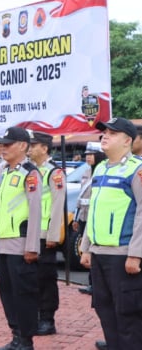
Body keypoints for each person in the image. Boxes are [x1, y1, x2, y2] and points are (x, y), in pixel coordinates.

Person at [80, 117, 142, 350]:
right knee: (105, 310)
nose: (105, 136)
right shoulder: (100, 168)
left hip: (123, 255)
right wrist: (86, 248)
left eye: (112, 133)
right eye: (105, 132)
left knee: (128, 316)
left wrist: (136, 254)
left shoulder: (137, 169)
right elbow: (94, 210)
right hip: (99, 253)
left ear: (127, 141)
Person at [0, 126, 42, 350]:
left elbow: (35, 211)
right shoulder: (6, 172)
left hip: (21, 244)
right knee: (7, 291)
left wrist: (32, 246)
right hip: (4, 243)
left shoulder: (29, 173)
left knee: (24, 294)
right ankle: (16, 336)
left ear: (22, 146)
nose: (3, 148)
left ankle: (26, 339)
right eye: (2, 144)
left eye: (8, 144)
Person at [28, 131, 65, 336]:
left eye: (34, 145)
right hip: (30, 234)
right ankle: (35, 315)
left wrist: (52, 235)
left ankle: (47, 319)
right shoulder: (31, 170)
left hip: (44, 236)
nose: (30, 149)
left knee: (46, 279)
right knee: (31, 279)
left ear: (44, 148)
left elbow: (58, 206)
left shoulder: (54, 172)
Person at [73, 142, 106, 295]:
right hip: (84, 215)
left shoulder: (102, 171)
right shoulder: (86, 172)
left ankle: (96, 284)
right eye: (86, 155)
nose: (88, 158)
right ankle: (91, 283)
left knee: (94, 252)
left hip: (95, 217)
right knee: (85, 250)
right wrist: (76, 217)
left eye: (91, 155)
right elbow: (80, 196)